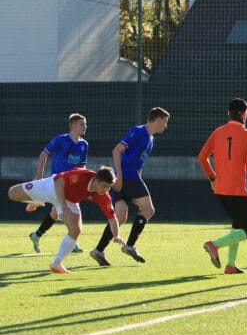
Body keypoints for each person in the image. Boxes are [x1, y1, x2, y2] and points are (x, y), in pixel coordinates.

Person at [89, 107, 170, 266]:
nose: (166, 126)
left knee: (120, 217)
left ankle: (98, 250)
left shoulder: (151, 139)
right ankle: (130, 246)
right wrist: (118, 176)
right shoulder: (139, 131)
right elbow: (117, 150)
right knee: (148, 210)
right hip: (128, 178)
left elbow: (138, 161)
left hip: (131, 177)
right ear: (158, 119)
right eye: (165, 121)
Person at [8, 166, 125, 273]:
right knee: (12, 193)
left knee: (76, 230)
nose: (106, 190)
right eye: (104, 186)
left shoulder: (103, 196)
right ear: (96, 180)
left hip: (70, 201)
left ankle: (57, 263)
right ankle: (35, 201)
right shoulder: (82, 175)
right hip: (53, 187)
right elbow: (59, 182)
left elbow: (112, 218)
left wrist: (116, 236)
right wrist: (63, 206)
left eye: (109, 187)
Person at [198, 98, 247, 274]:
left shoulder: (218, 132)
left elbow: (202, 157)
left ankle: (231, 265)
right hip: (237, 190)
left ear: (228, 113)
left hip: (220, 189)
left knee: (237, 226)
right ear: (244, 114)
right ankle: (214, 245)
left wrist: (212, 177)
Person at [26, 113, 89, 254]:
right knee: (69, 211)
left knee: (56, 212)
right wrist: (39, 174)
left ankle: (37, 235)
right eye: (82, 124)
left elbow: (82, 167)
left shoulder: (84, 145)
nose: (85, 127)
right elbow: (44, 153)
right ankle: (73, 242)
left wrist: (81, 183)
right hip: (58, 182)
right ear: (73, 125)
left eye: (85, 124)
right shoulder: (61, 140)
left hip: (72, 184)